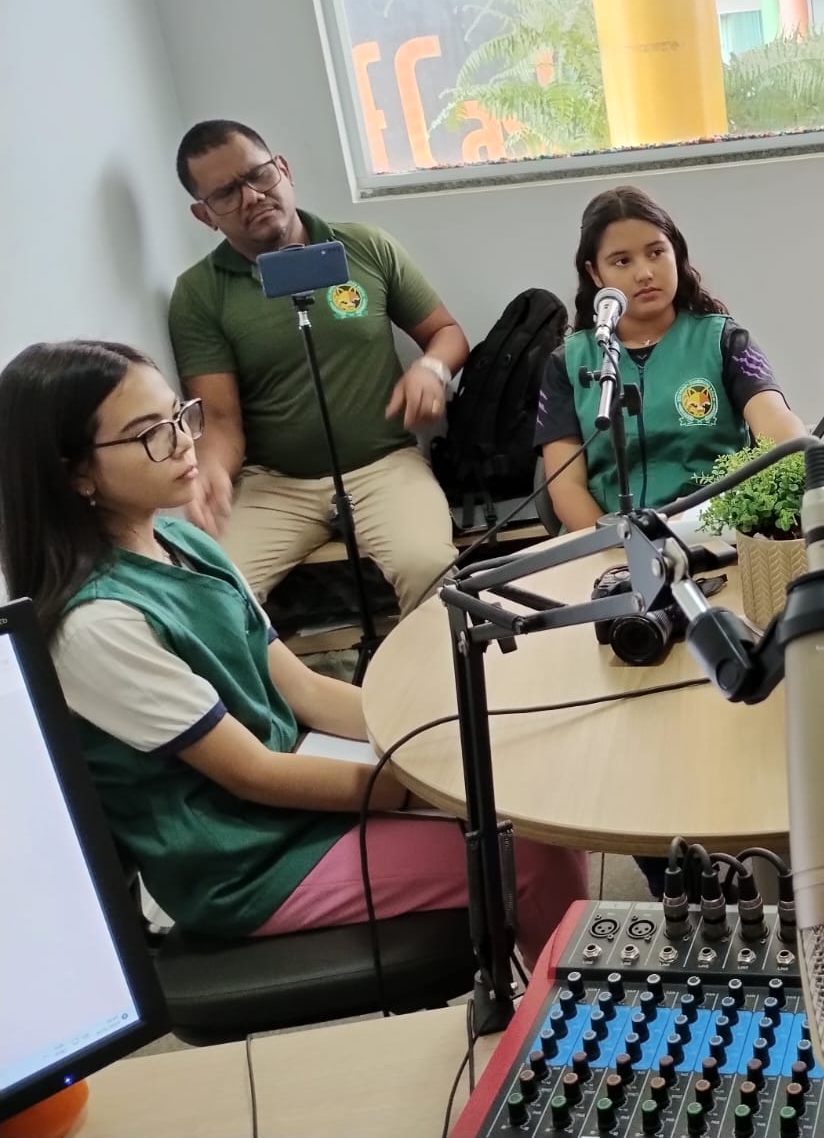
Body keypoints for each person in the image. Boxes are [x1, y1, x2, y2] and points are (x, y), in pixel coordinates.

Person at [0, 341, 586, 959]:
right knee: (526, 853)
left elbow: (302, 689)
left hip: (288, 797)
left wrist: (449, 729)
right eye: (150, 434)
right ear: (75, 473)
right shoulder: (96, 623)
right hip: (247, 860)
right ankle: (564, 1011)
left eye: (180, 416)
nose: (184, 442)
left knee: (530, 803)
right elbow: (253, 773)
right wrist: (425, 785)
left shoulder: (178, 539)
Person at [168, 119, 466, 615]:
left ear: (283, 170)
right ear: (205, 215)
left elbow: (447, 333)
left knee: (429, 568)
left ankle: (429, 669)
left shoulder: (365, 246)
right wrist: (211, 472)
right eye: (226, 194)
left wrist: (431, 369)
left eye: (258, 175)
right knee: (213, 595)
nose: (252, 197)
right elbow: (219, 419)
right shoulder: (199, 293)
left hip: (385, 466)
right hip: (275, 484)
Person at [535, 185, 808, 531]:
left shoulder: (724, 341)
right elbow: (565, 489)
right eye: (622, 261)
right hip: (606, 547)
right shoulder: (567, 363)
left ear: (675, 253)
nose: (644, 273)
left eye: (655, 253)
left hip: (714, 534)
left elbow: (778, 428)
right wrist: (620, 548)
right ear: (595, 273)